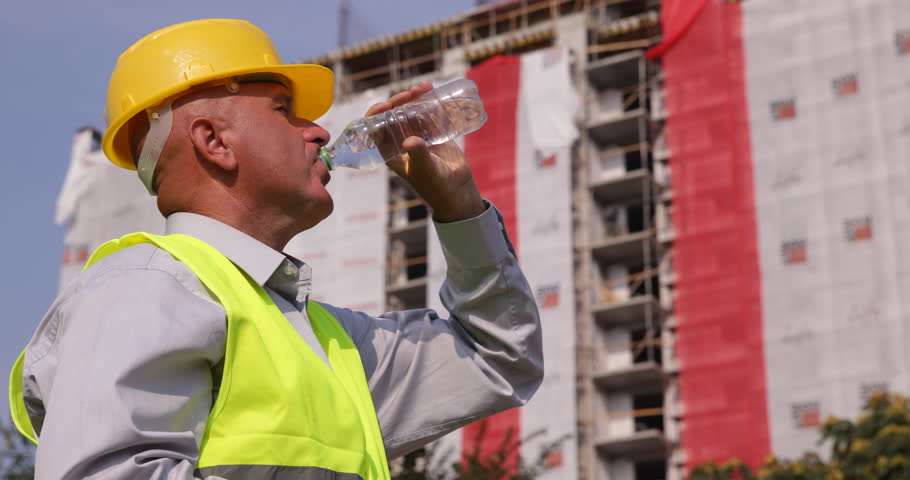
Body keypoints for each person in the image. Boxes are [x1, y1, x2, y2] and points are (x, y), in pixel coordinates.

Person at [8, 18, 543, 480]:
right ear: (213, 142)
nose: (318, 132)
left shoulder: (325, 343)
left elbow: (499, 357)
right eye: (285, 111)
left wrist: (460, 208)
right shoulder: (145, 287)